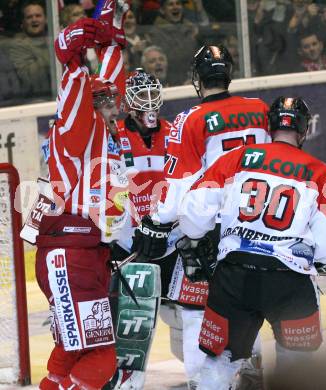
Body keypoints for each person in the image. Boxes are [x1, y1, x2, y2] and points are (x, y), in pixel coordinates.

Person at [176, 96, 326, 390]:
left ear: (269, 127)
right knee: (299, 368)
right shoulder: (322, 173)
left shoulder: (235, 158)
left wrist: (205, 235)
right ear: (305, 130)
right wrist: (319, 257)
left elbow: (192, 215)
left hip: (234, 277)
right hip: (289, 283)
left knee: (218, 364)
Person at [131, 45, 271, 389]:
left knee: (195, 311)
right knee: (248, 307)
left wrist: (158, 222)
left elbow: (179, 185)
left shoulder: (189, 119)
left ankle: (201, 383)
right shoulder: (260, 110)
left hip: (211, 232)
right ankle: (252, 377)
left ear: (198, 78)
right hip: (257, 226)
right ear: (229, 73)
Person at [34, 1, 129, 388]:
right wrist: (72, 56)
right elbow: (75, 93)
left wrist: (111, 38)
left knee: (70, 352)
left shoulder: (104, 129)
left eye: (113, 100)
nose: (112, 105)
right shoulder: (77, 130)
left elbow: (107, 84)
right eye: (103, 101)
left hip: (80, 254)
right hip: (70, 258)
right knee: (102, 354)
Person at [105, 68, 178, 389]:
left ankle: (214, 372)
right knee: (131, 321)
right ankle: (126, 381)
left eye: (153, 93)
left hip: (172, 240)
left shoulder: (175, 131)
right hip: (129, 242)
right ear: (128, 102)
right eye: (141, 95)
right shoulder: (114, 135)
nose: (149, 101)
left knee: (182, 315)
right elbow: (106, 187)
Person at [9, 0, 50, 99]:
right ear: (23, 22)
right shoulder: (17, 45)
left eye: (38, 16)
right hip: (36, 100)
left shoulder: (55, 39)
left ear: (46, 19)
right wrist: (55, 51)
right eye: (29, 17)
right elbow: (31, 78)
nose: (34, 20)